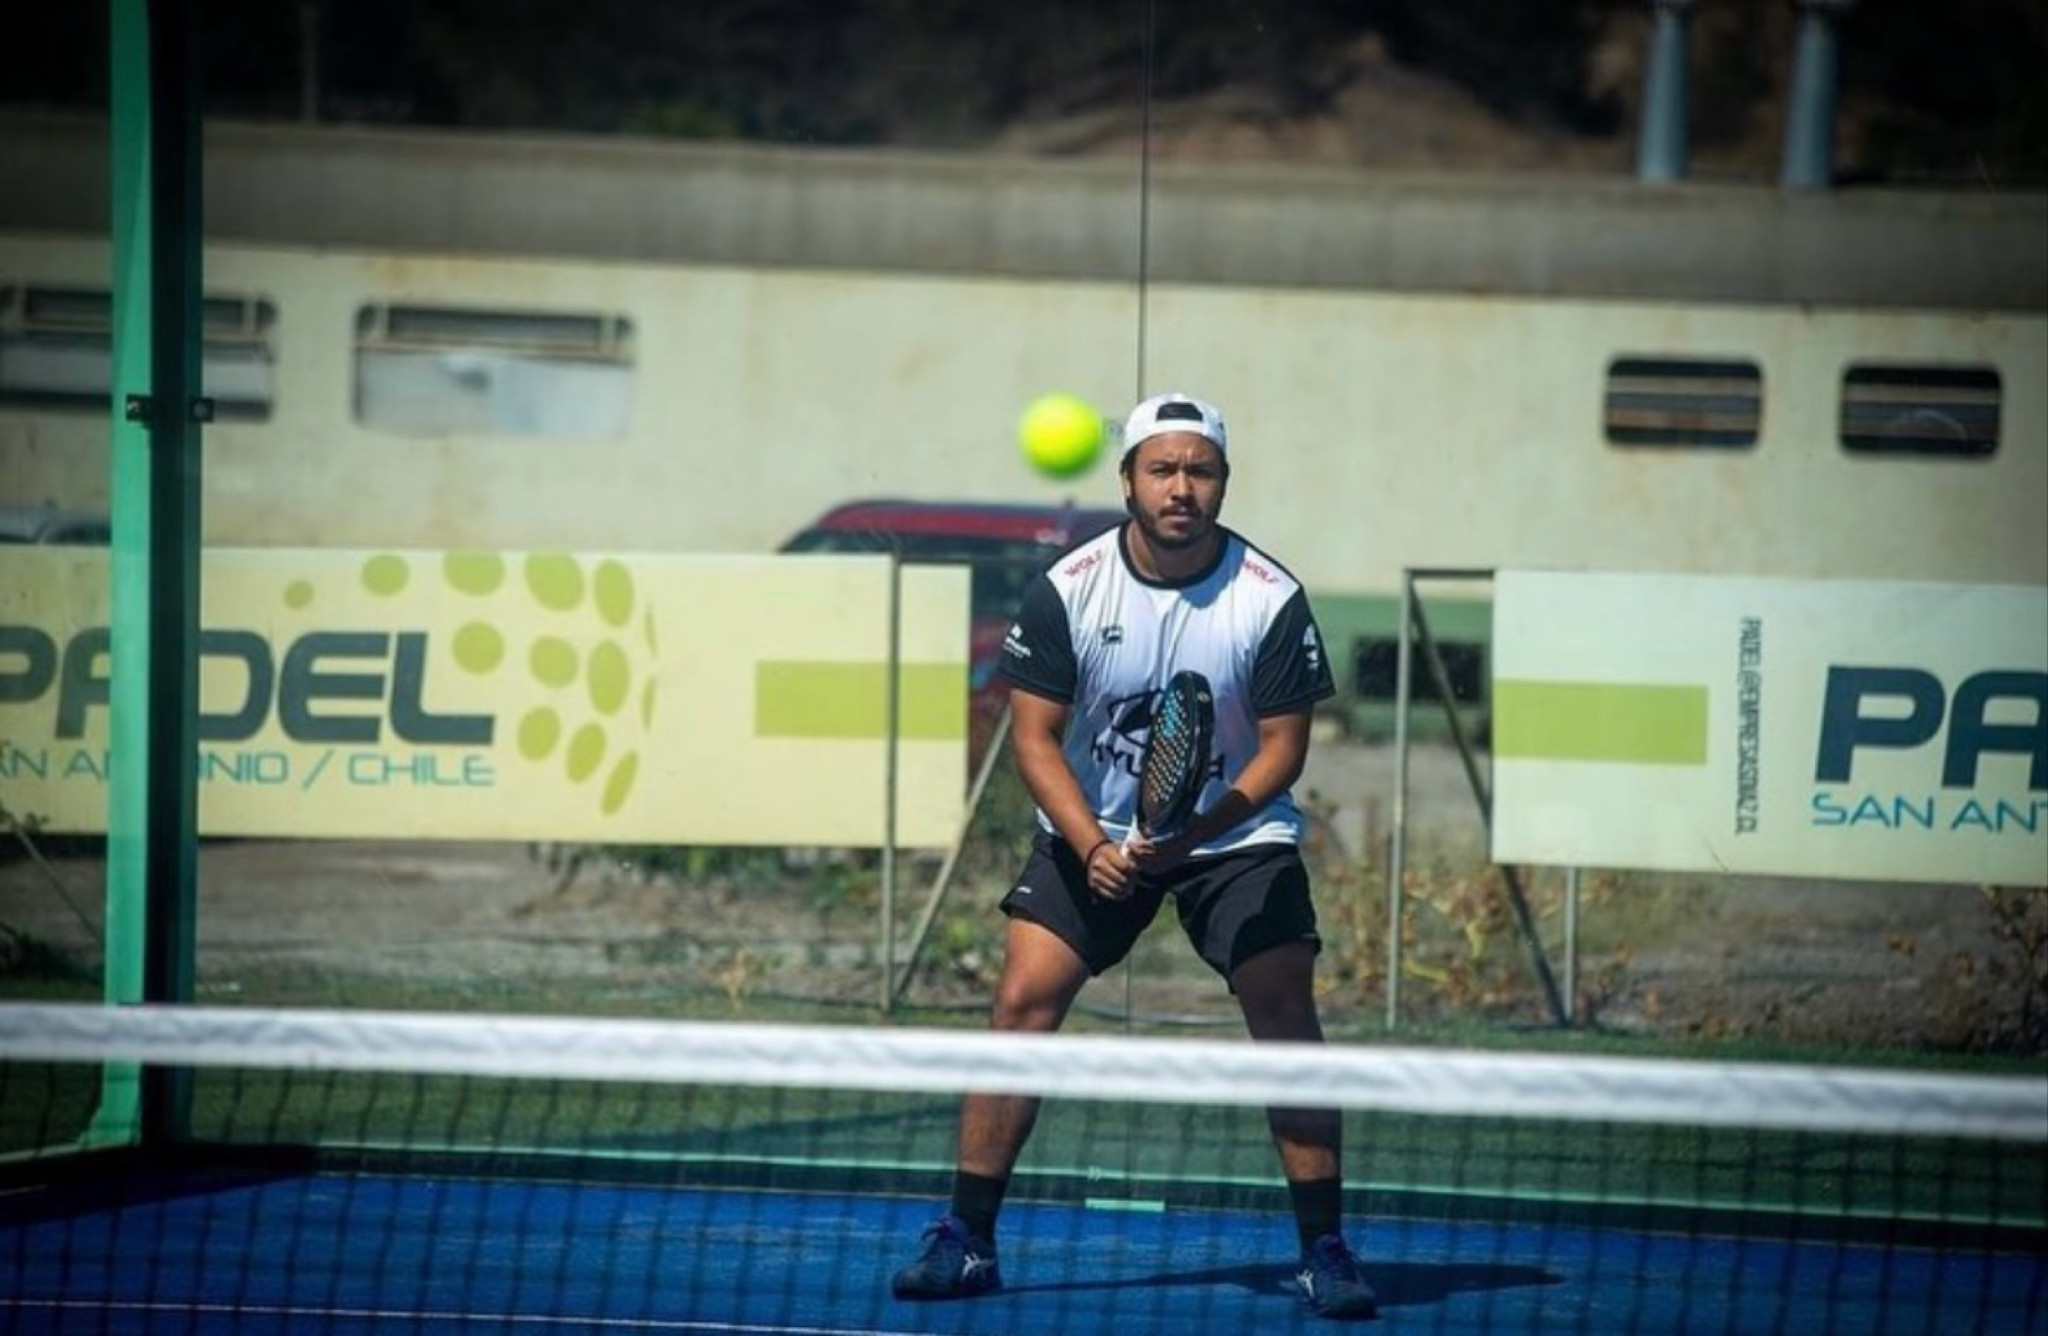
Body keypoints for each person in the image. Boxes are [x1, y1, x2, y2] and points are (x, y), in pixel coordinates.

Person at [891, 391, 1377, 1321]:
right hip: (1092, 832)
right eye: (1162, 469)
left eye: (1200, 470)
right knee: (1019, 1003)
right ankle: (966, 1239)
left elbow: (1283, 750)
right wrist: (1093, 845)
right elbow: (1034, 739)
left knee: (1285, 1012)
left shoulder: (1269, 598)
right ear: (1128, 482)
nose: (1181, 487)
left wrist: (1193, 833)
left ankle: (1325, 1250)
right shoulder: (1070, 588)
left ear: (1223, 484)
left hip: (1235, 839)